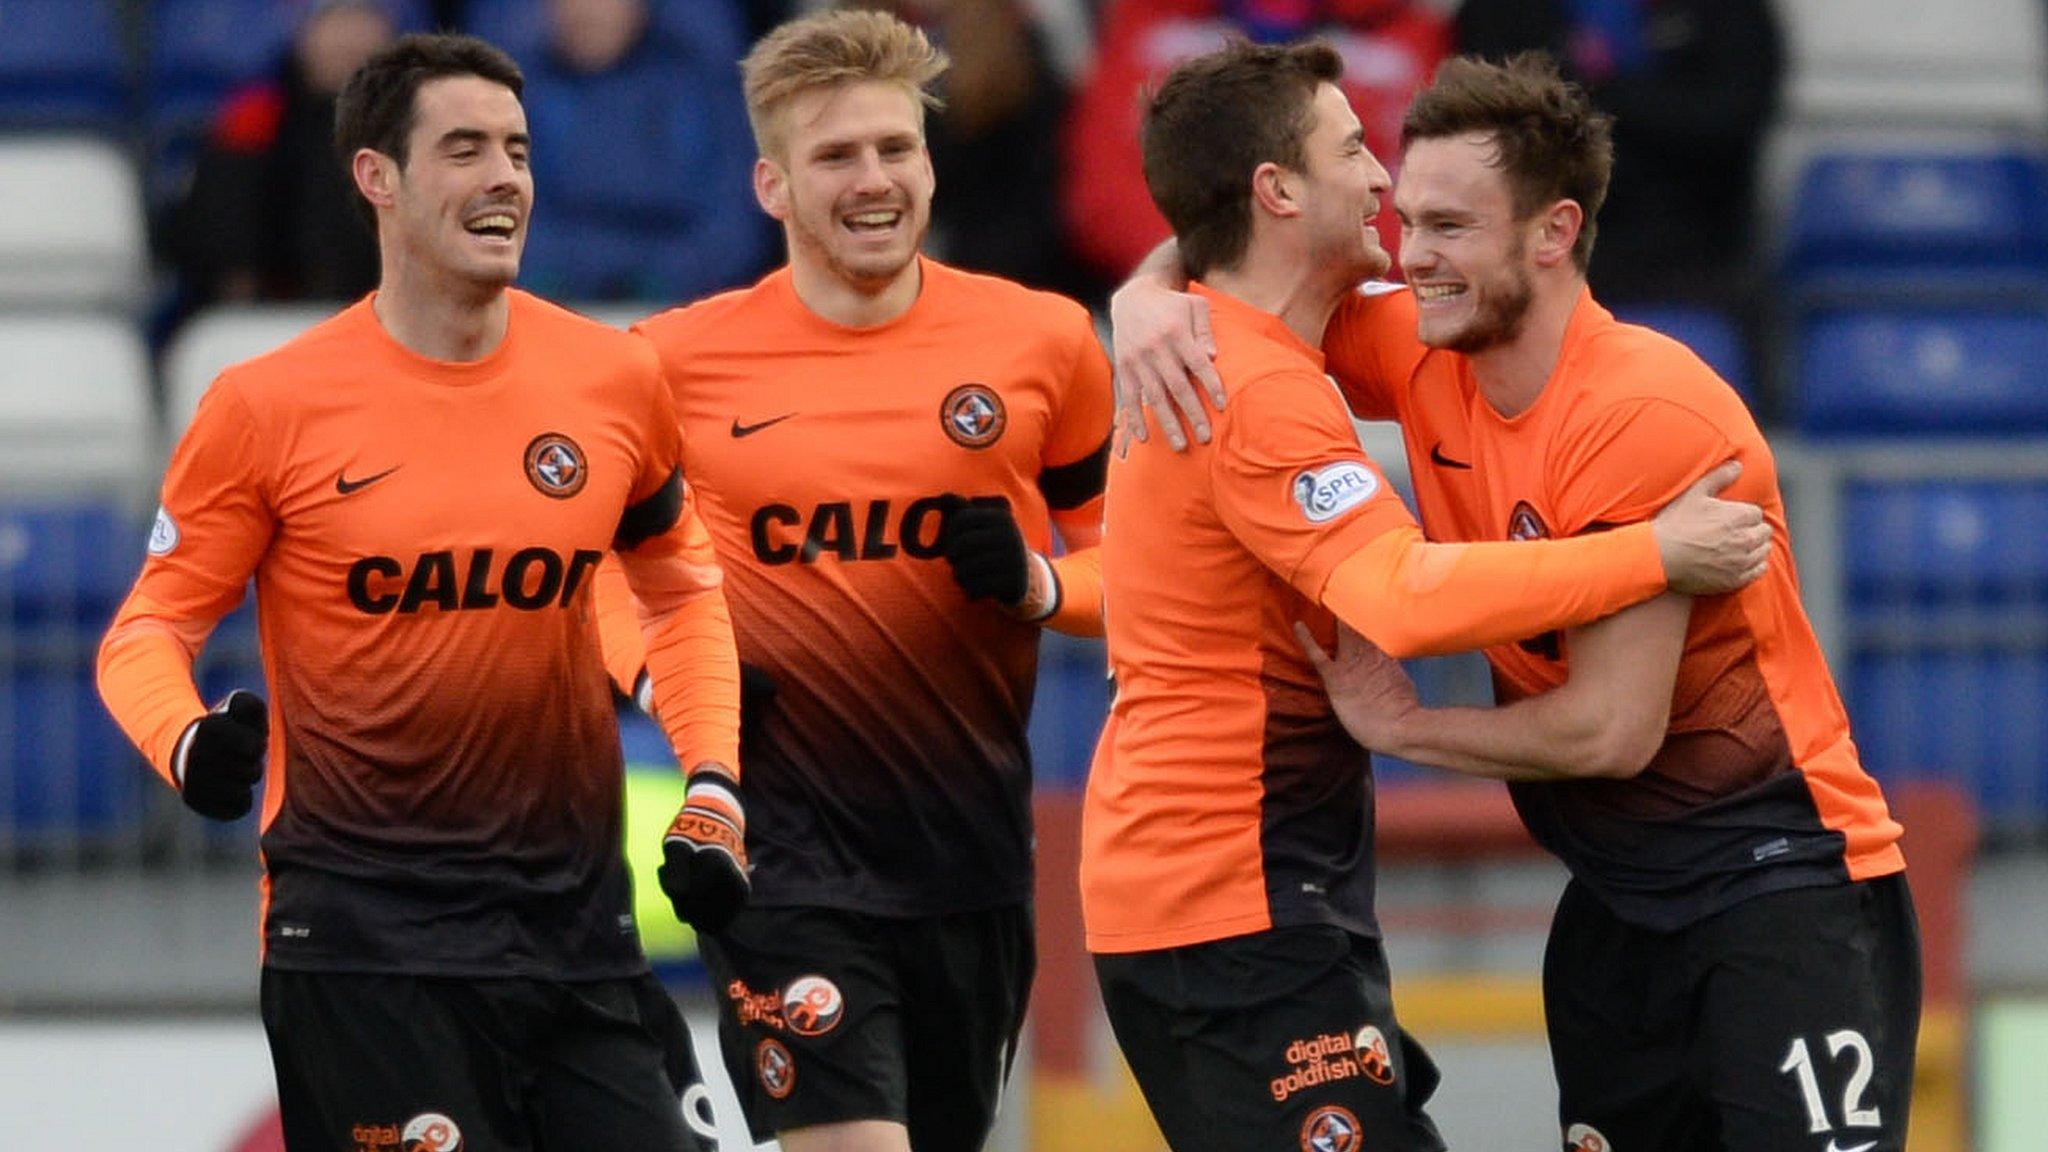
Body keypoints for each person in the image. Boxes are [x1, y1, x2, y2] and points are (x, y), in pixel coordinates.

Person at [1114, 50, 1919, 1152]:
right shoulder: (1425, 347)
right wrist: (1147, 297)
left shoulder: (1642, 413)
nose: (1409, 251)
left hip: (1772, 887)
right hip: (1611, 902)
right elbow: (1242, 267)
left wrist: (1409, 729)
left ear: (1551, 233)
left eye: (1448, 227)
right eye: (1404, 216)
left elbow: (1609, 730)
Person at [98, 33, 745, 1152]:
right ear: (377, 180)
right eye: (463, 149)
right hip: (363, 952)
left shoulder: (614, 380)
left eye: (518, 150)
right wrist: (187, 740)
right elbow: (147, 628)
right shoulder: (267, 408)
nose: (505, 176)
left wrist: (715, 783)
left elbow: (681, 597)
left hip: (578, 941)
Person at [590, 10, 1114, 1152]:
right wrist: (672, 679)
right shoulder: (665, 364)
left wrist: (1037, 586)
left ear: (928, 162)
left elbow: (1135, 572)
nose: (873, 180)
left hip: (968, 860)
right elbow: (592, 574)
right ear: (772, 186)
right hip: (781, 857)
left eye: (894, 149)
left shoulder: (1046, 343)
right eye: (835, 156)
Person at [516, 0, 773, 301]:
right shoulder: (519, 87)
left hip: (683, 305)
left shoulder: (699, 80)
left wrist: (663, 282)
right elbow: (514, 216)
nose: (587, 10)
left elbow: (734, 220)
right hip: (554, 305)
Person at [167, 0, 396, 307]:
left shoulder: (407, 119)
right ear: (305, 30)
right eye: (335, 21)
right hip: (273, 309)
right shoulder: (255, 115)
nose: (348, 39)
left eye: (361, 20)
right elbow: (220, 232)